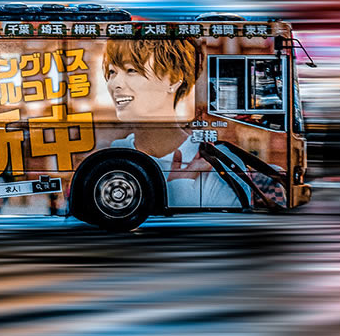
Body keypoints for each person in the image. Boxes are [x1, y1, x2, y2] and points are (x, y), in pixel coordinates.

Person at [103, 38, 246, 208]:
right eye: (112, 72)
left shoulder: (217, 162)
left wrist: (177, 190)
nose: (115, 84)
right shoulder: (112, 156)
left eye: (131, 70)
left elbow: (224, 231)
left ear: (173, 79)